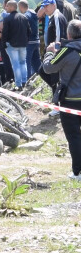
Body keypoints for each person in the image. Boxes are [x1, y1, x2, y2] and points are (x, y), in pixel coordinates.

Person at [42, 19, 81, 181]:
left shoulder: (67, 50)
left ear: (69, 34)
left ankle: (77, 172)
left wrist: (50, 52)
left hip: (70, 100)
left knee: (74, 137)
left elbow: (48, 67)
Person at [40, 0, 69, 116]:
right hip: (53, 52)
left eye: (47, 6)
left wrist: (55, 53)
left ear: (54, 5)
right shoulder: (52, 17)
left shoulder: (57, 16)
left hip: (56, 53)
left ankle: (58, 106)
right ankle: (58, 102)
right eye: (44, 6)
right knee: (48, 75)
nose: (45, 9)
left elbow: (59, 36)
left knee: (51, 76)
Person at [0, 0, 31, 90]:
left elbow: (5, 33)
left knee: (15, 64)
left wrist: (3, 43)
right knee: (23, 62)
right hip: (23, 44)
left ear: (12, 7)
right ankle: (24, 81)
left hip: (12, 45)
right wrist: (26, 40)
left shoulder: (7, 19)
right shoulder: (24, 18)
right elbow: (29, 31)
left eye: (8, 6)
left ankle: (18, 84)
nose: (6, 8)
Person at [18, 0, 41, 77]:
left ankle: (26, 80)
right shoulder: (34, 13)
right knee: (36, 62)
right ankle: (41, 77)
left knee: (26, 62)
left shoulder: (25, 16)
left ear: (21, 7)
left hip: (29, 42)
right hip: (36, 41)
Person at [0, 0, 15, 85]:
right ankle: (14, 77)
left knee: (6, 60)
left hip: (4, 40)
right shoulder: (15, 15)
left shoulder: (4, 14)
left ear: (5, 5)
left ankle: (9, 79)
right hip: (13, 40)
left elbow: (1, 27)